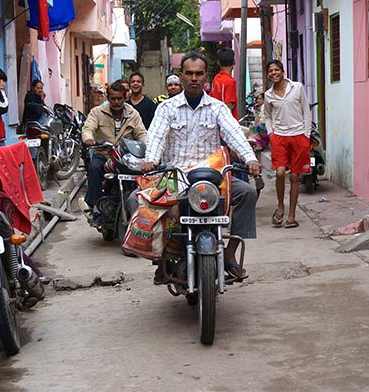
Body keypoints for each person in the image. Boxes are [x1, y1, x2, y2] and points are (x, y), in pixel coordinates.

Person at [141, 51, 261, 281]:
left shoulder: (217, 108)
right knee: (141, 201)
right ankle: (162, 257)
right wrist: (151, 161)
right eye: (189, 73)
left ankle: (229, 253)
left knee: (247, 192)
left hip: (213, 178)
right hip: (176, 176)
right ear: (181, 76)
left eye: (198, 74)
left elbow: (234, 133)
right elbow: (156, 136)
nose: (194, 78)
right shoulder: (167, 108)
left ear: (206, 77)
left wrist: (250, 159)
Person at [80, 80, 148, 225]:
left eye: (120, 98)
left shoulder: (133, 114)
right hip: (104, 154)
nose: (116, 102)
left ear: (125, 97)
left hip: (125, 157)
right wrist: (89, 139)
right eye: (113, 98)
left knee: (142, 174)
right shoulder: (97, 112)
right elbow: (88, 128)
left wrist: (148, 146)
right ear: (108, 98)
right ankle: (94, 208)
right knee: (94, 168)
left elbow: (141, 133)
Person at [263, 59, 312, 229]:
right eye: (270, 71)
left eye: (277, 70)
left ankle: (291, 216)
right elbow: (267, 116)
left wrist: (306, 135)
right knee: (280, 172)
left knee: (295, 177)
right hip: (280, 137)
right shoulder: (268, 95)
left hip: (299, 136)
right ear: (268, 74)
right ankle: (280, 205)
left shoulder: (297, 87)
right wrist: (271, 133)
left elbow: (306, 110)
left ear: (283, 72)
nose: (274, 73)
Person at [210, 47, 239, 121]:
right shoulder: (230, 82)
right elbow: (228, 106)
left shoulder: (216, 78)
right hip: (227, 123)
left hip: (215, 119)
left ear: (218, 63)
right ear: (234, 62)